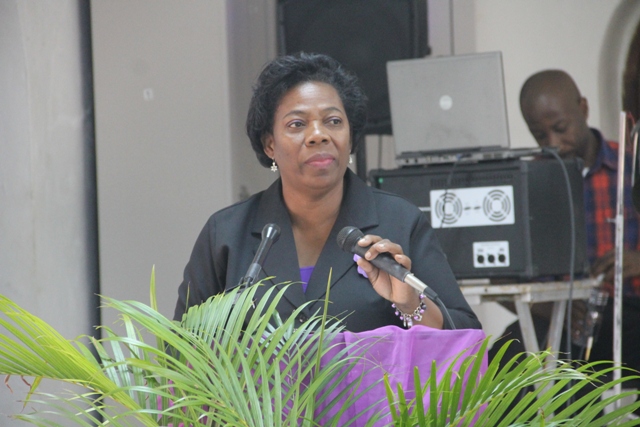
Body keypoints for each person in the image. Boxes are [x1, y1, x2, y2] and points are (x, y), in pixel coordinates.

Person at [173, 52, 481, 333]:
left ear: (350, 137)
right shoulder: (226, 234)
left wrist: (410, 304)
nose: (318, 135)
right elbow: (182, 351)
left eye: (333, 121)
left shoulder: (400, 221)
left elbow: (463, 333)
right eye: (297, 124)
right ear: (270, 145)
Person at [491, 69, 640, 381]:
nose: (554, 144)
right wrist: (549, 309)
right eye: (540, 135)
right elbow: (497, 281)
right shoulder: (526, 183)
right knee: (502, 364)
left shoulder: (630, 167)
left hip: (628, 315)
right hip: (557, 317)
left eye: (561, 128)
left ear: (583, 108)